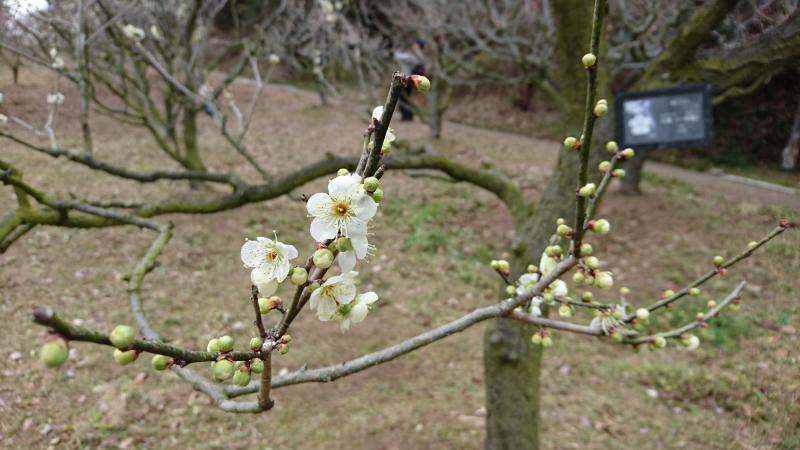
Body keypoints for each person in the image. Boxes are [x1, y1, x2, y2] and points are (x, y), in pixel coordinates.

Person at [393, 39, 426, 121]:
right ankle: (408, 115)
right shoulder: (418, 55)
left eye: (415, 44)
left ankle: (406, 116)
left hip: (406, 80)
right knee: (406, 97)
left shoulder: (413, 56)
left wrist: (397, 48)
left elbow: (397, 56)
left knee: (403, 98)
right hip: (410, 80)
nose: (413, 45)